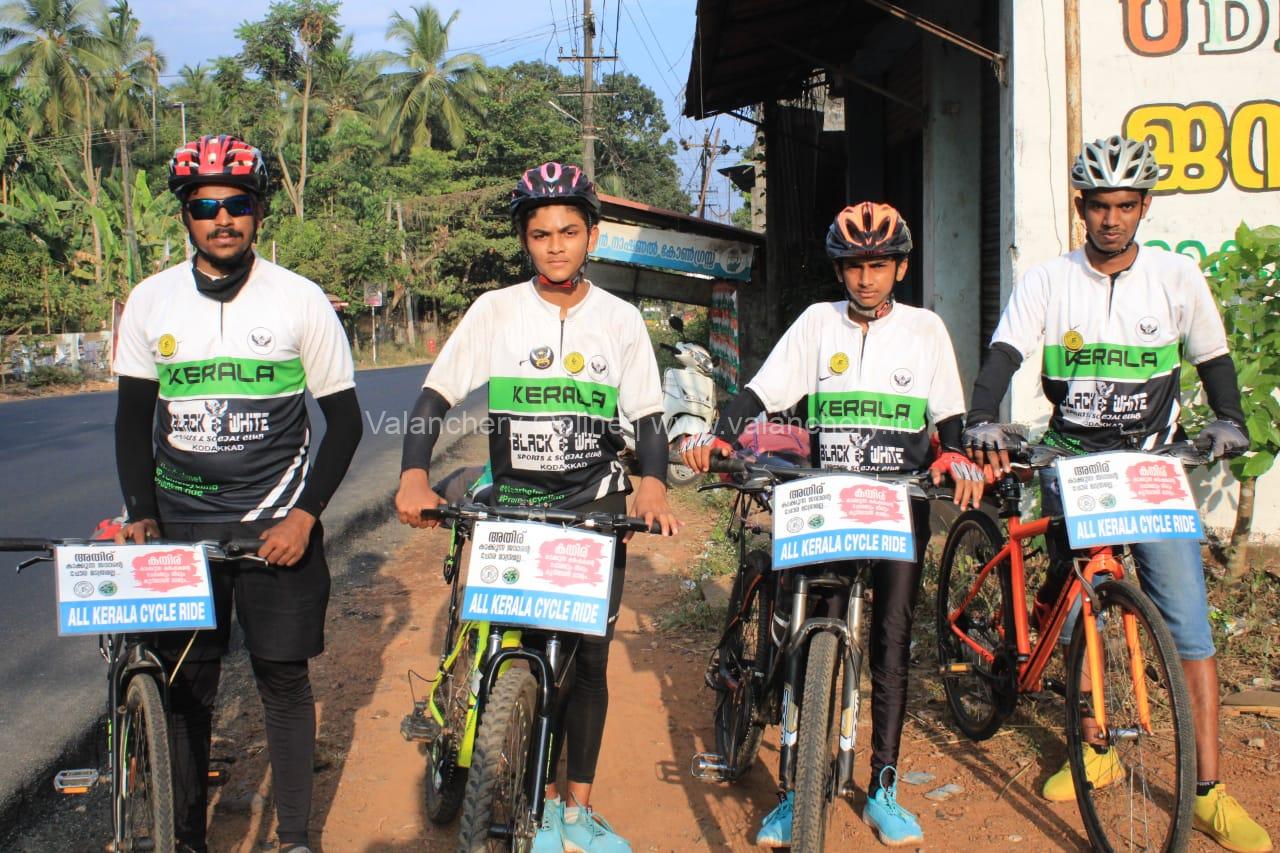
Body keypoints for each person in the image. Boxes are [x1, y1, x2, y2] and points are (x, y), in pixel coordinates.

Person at [964, 135, 1270, 853]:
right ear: (1081, 208)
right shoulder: (1048, 280)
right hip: (1073, 463)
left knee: (1189, 630)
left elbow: (1213, 357)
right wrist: (981, 416)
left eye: (1125, 204)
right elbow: (1005, 353)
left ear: (1145, 207)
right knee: (1078, 616)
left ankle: (1208, 792)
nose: (1111, 218)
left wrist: (1228, 419)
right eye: (1099, 205)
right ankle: (1095, 745)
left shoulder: (1176, 278)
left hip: (1154, 467)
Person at [681, 202, 986, 848]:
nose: (866, 278)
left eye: (878, 265)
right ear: (840, 270)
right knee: (797, 636)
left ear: (899, 267)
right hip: (824, 503)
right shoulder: (817, 325)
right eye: (854, 266)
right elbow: (760, 392)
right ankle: (795, 791)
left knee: (892, 639)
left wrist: (955, 454)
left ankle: (883, 786)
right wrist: (718, 434)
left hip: (899, 502)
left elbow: (950, 419)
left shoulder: (926, 331)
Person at [395, 161, 678, 853]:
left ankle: (572, 811)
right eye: (541, 233)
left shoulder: (619, 319)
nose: (555, 245)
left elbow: (645, 415)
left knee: (588, 659)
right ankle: (473, 714)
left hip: (593, 505)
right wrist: (410, 474)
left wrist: (653, 483)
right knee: (499, 629)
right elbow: (435, 396)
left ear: (592, 236)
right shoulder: (495, 311)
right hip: (512, 502)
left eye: (569, 232)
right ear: (525, 239)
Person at [114, 134, 364, 853]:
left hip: (276, 530)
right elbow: (133, 421)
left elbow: (344, 421)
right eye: (205, 206)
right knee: (187, 692)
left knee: (282, 682)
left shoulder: (299, 299)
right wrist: (142, 514)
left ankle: (293, 838)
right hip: (181, 527)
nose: (222, 218)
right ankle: (184, 838)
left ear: (258, 212)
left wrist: (305, 516)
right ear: (187, 215)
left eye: (237, 204)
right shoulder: (151, 301)